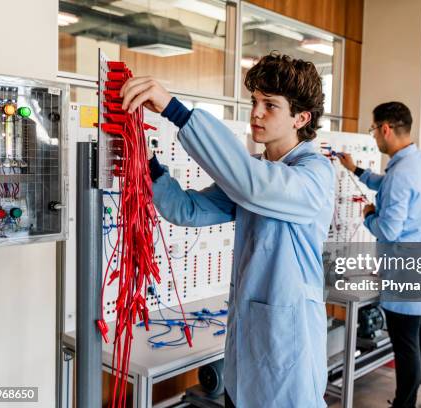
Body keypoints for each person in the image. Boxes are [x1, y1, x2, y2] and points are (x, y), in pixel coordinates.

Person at [120, 52, 335, 408]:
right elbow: (186, 209)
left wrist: (175, 111)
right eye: (254, 101)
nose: (256, 113)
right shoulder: (254, 170)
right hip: (246, 355)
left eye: (270, 105)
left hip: (288, 356)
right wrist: (147, 162)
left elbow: (254, 186)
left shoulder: (314, 174)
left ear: (301, 117)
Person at [338, 102, 421, 408]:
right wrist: (356, 170)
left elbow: (388, 230)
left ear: (386, 128)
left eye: (373, 129)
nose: (373, 136)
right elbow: (388, 185)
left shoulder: (401, 173)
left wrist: (370, 215)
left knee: (405, 344)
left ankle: (404, 404)